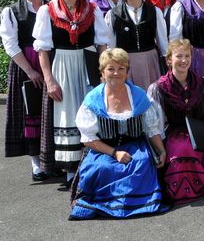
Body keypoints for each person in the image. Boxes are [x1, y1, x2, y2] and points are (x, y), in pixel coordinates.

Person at [33, 0, 112, 189]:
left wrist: (103, 72)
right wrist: (49, 79)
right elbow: (43, 50)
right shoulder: (47, 11)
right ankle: (70, 173)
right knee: (66, 114)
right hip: (62, 67)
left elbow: (102, 44)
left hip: (88, 65)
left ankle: (90, 166)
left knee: (90, 113)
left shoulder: (92, 10)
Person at [69, 48, 167, 219]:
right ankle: (106, 204)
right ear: (102, 72)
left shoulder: (139, 96)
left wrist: (161, 150)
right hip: (103, 148)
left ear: (127, 72)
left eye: (121, 68)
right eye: (111, 69)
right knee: (101, 167)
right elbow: (88, 139)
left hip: (135, 145)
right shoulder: (93, 100)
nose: (116, 73)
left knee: (141, 163)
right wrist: (115, 153)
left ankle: (135, 203)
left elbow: (151, 129)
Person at [148, 39, 204, 204]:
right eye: (178, 56)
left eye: (187, 56)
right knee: (182, 149)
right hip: (173, 133)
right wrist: (161, 150)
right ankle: (180, 192)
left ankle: (202, 186)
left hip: (200, 133)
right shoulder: (157, 88)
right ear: (169, 60)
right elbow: (156, 125)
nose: (183, 60)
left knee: (191, 147)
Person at [0, 0, 51, 180]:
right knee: (29, 113)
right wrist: (29, 70)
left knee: (49, 114)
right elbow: (10, 44)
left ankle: (51, 161)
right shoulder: (12, 11)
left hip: (48, 63)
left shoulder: (52, 8)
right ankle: (36, 164)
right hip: (25, 66)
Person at [105, 0, 167, 90]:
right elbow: (111, 47)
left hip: (150, 63)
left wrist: (167, 64)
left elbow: (163, 42)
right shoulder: (113, 14)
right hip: (124, 64)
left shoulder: (154, 12)